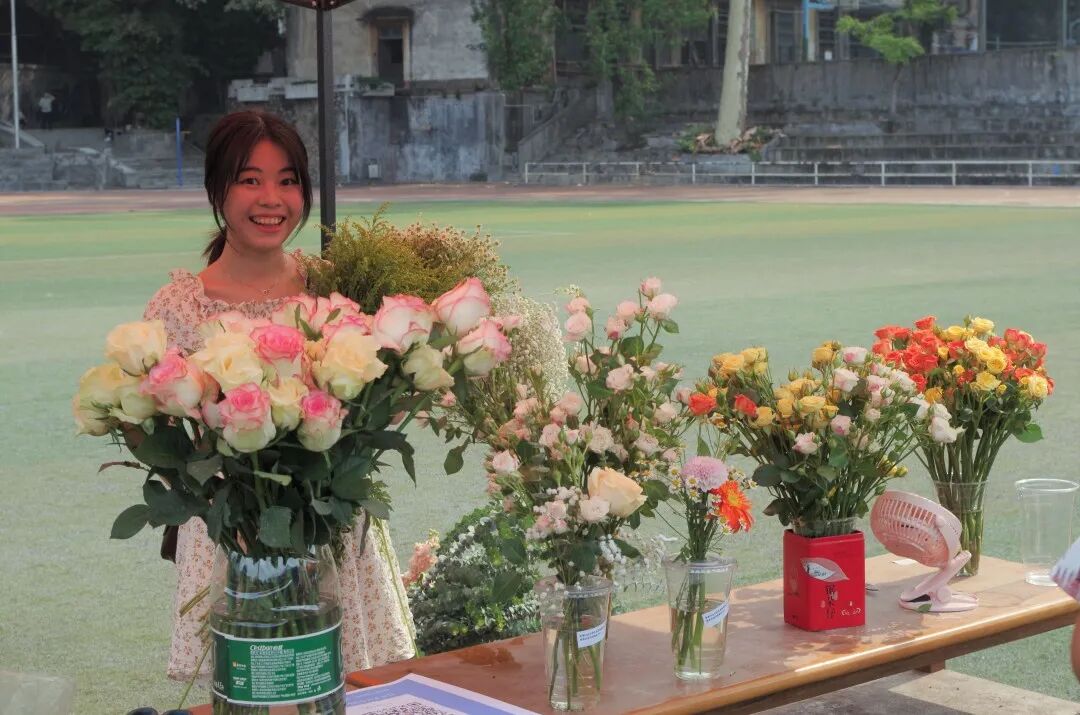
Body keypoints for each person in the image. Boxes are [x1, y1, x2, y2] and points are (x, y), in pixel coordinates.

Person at [142, 109, 415, 681]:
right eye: (250, 179)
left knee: (341, 683)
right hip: (232, 536)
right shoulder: (179, 307)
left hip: (331, 524)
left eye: (287, 180)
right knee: (251, 684)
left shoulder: (335, 285)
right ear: (218, 190)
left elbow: (373, 408)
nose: (272, 199)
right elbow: (163, 441)